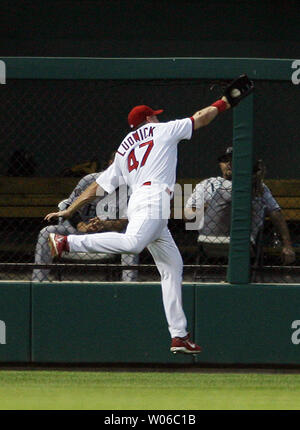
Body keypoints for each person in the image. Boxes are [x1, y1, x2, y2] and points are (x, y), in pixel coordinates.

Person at [44, 96, 233, 355]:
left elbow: (97, 187)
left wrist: (70, 209)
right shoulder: (163, 129)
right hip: (153, 200)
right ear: (148, 118)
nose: (157, 116)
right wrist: (223, 102)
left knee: (172, 268)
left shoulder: (123, 148)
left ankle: (179, 335)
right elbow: (201, 117)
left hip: (144, 205)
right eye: (154, 114)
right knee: (133, 244)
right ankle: (68, 242)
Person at [185, 147, 296, 265]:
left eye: (233, 159)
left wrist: (287, 245)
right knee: (224, 192)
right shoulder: (207, 184)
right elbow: (187, 216)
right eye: (225, 160)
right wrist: (208, 207)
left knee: (257, 194)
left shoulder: (260, 187)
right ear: (220, 164)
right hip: (210, 238)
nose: (229, 164)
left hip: (244, 240)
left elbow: (275, 212)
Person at [33, 159, 137, 282]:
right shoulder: (90, 180)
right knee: (47, 232)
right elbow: (68, 206)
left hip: (109, 232)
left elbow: (125, 222)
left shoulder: (130, 187)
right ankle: (38, 282)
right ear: (109, 164)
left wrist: (105, 224)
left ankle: (129, 284)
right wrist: (81, 225)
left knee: (131, 237)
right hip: (79, 229)